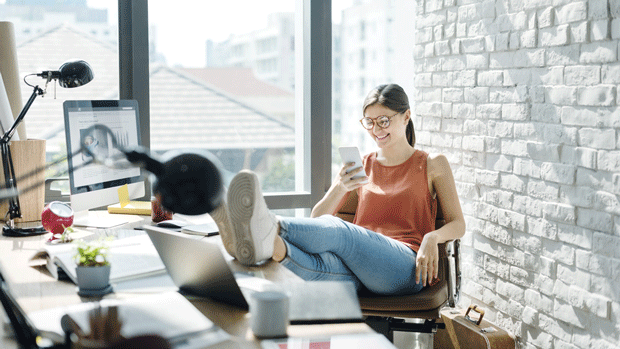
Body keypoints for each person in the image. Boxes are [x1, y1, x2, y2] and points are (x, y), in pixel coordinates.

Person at [211, 84, 465, 295]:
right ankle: (258, 244)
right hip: (357, 269)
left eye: (384, 121)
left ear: (406, 117)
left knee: (344, 232)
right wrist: (339, 186)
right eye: (369, 121)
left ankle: (265, 224)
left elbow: (458, 224)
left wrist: (432, 237)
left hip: (406, 267)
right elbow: (317, 219)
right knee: (312, 265)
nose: (376, 130)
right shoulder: (362, 165)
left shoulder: (432, 164)